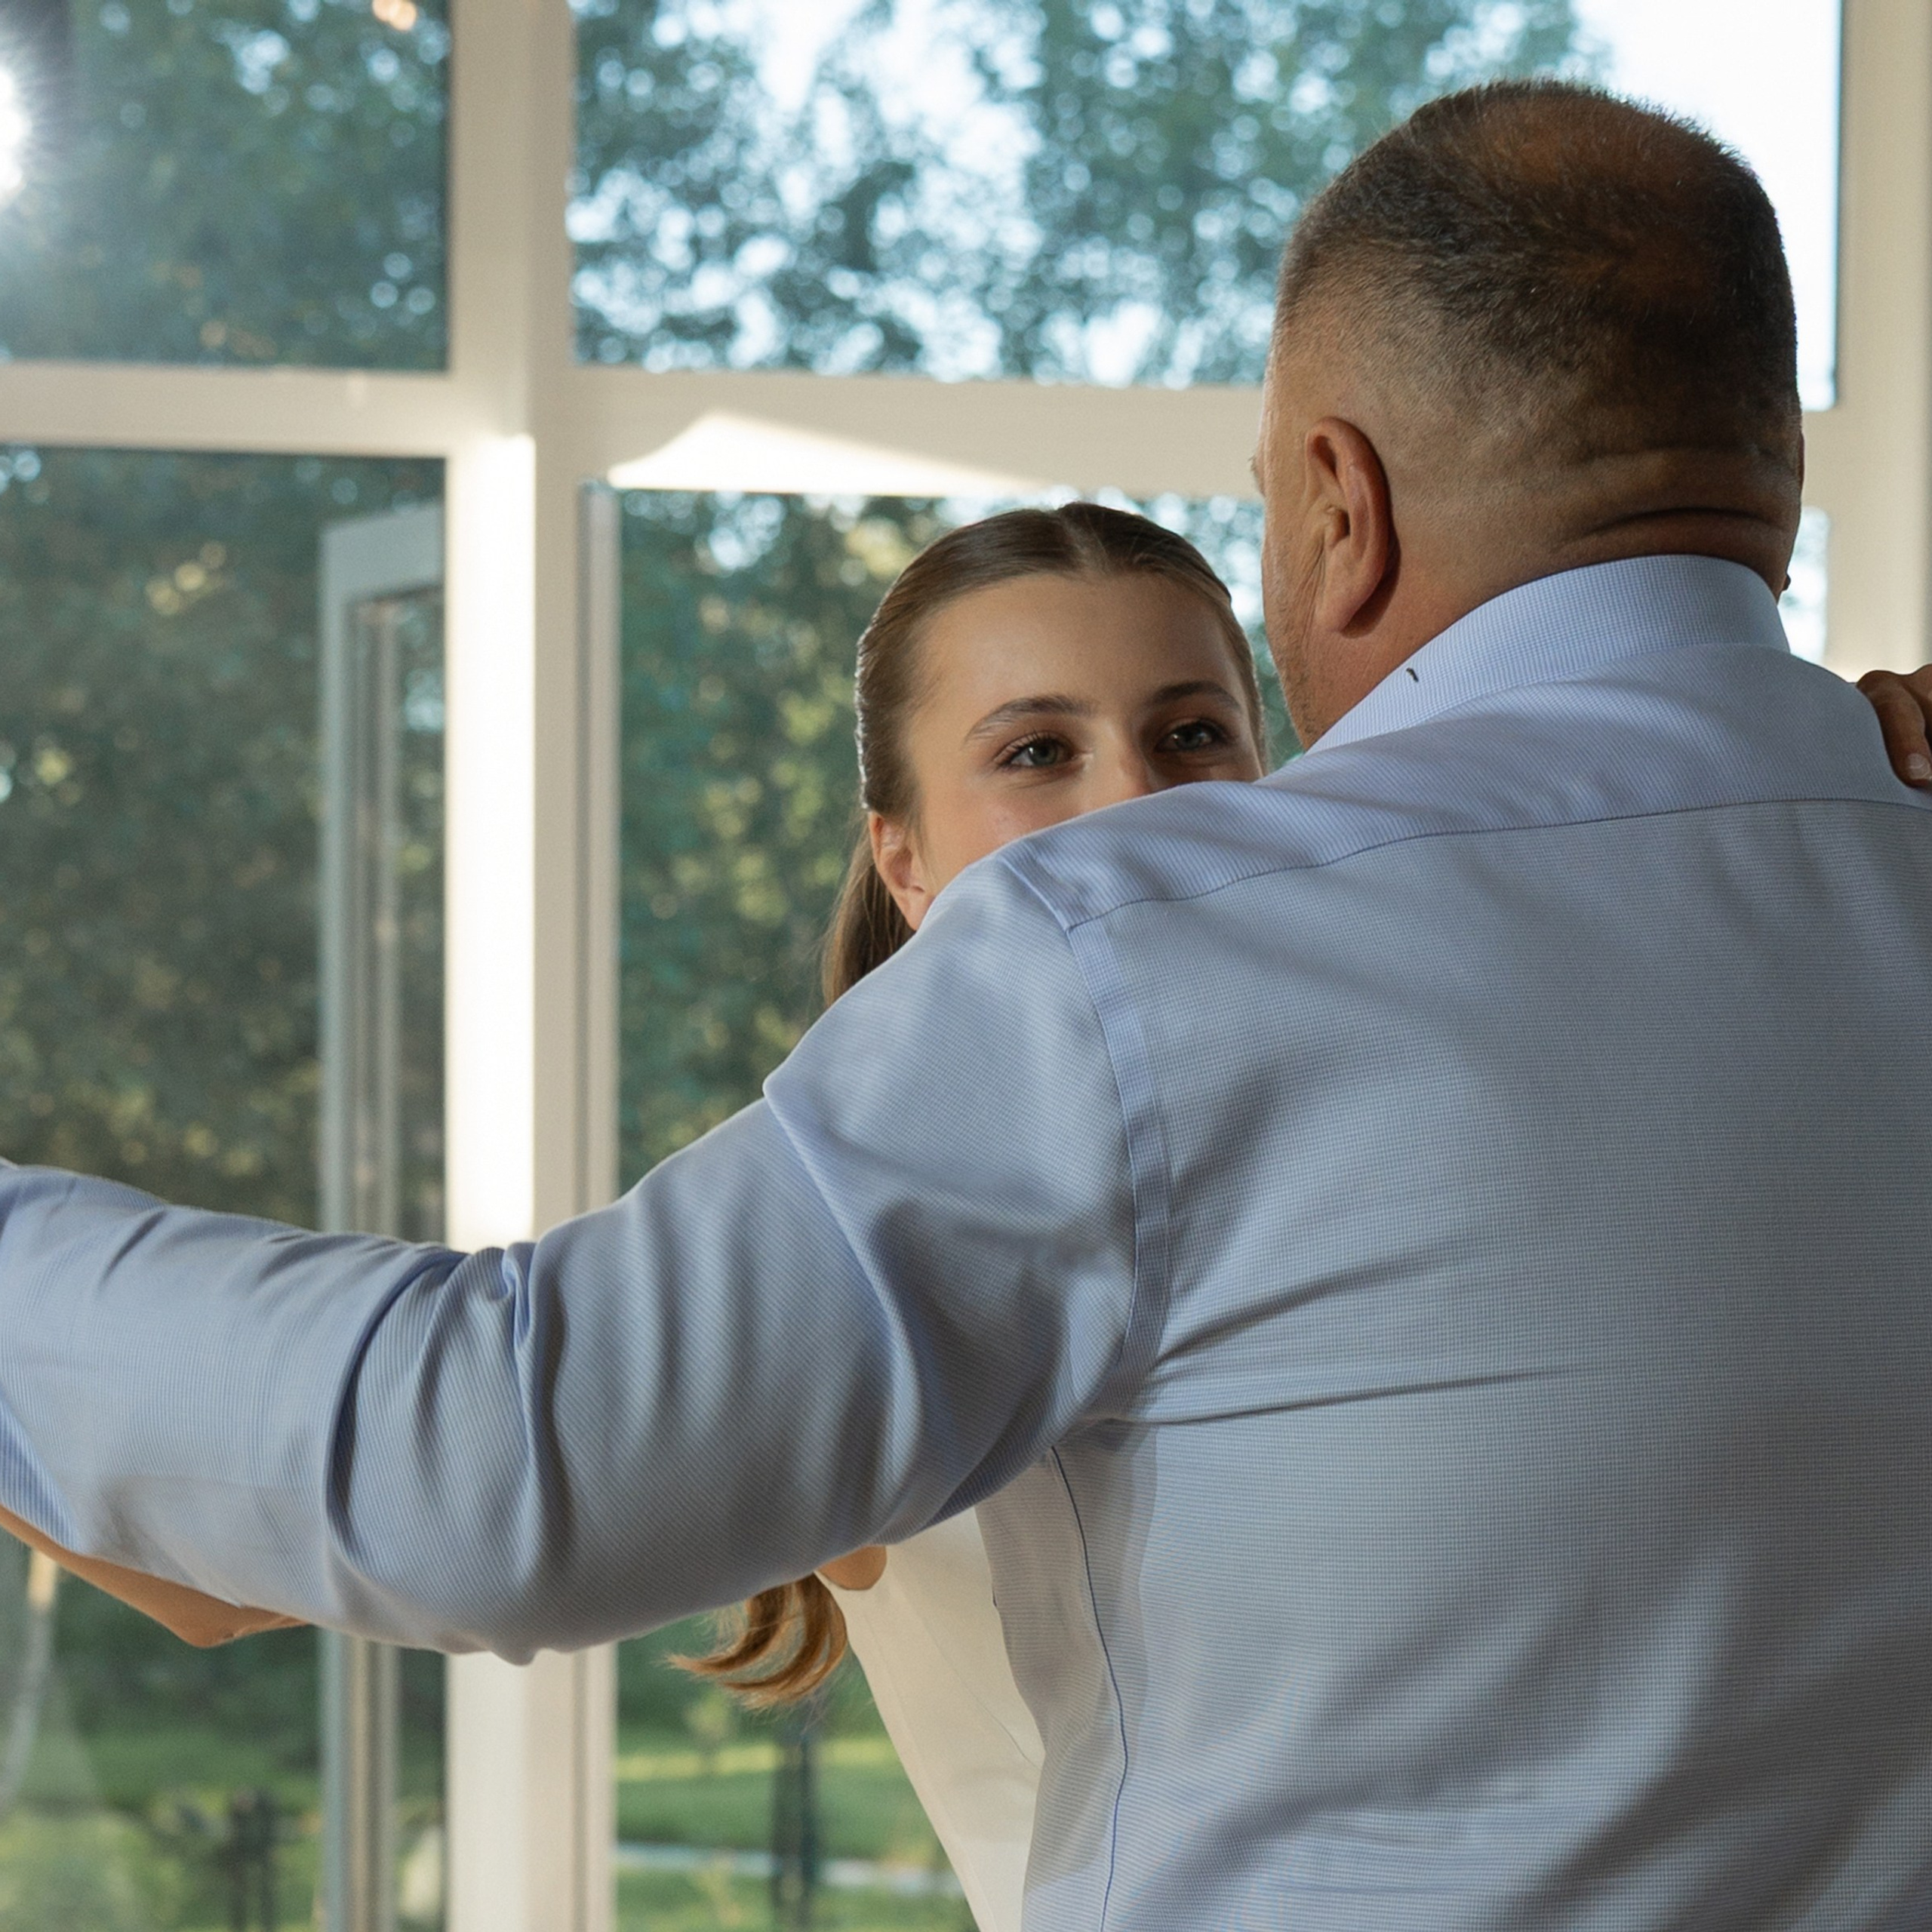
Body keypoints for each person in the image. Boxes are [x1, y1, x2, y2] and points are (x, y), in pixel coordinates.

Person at [2, 76, 1932, 1929]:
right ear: (1761, 454)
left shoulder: (1157, 959)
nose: (1130, 800)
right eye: (1031, 748)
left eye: (1191, 724)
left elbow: (489, 1456)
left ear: (1335, 499)